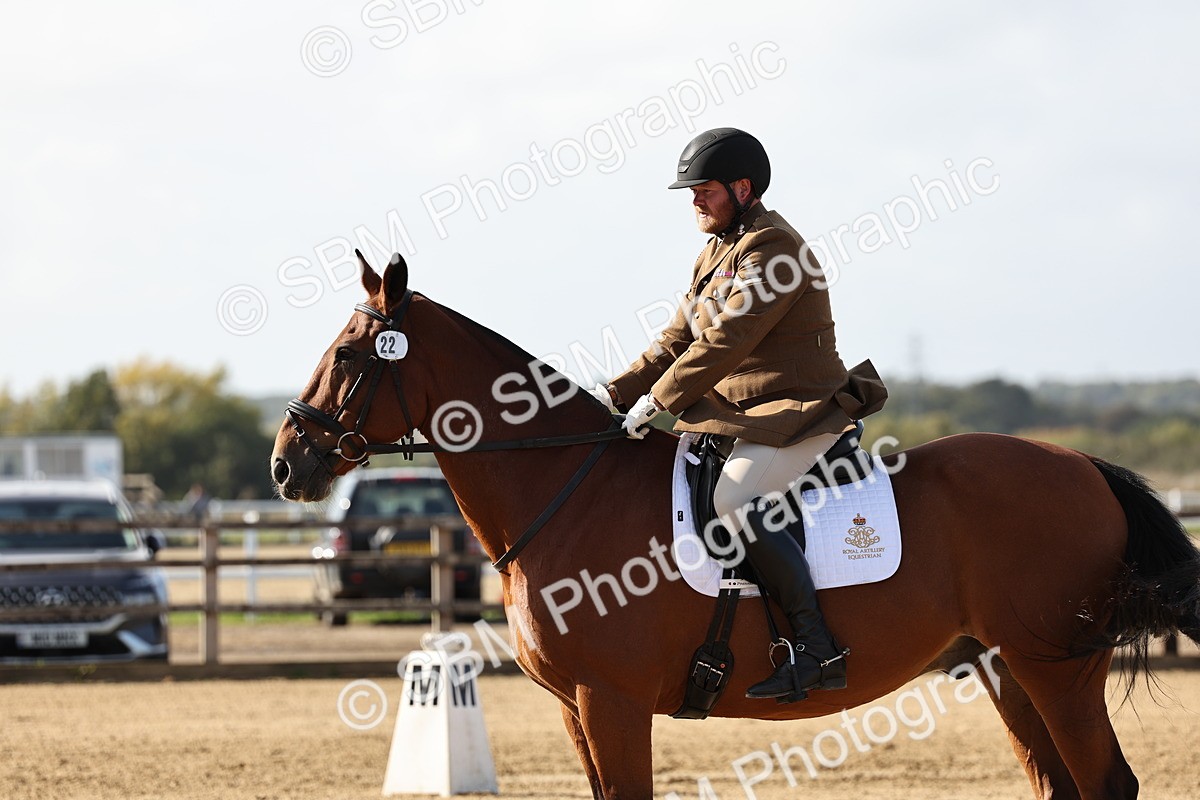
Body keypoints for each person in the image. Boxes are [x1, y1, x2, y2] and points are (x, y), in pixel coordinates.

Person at [589, 127, 887, 701]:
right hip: (744, 415)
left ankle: (816, 646)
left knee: (735, 500)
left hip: (800, 413)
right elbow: (675, 340)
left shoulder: (773, 248)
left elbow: (726, 340)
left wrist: (659, 403)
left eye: (703, 188)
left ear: (742, 187)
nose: (694, 199)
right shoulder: (716, 251)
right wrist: (616, 393)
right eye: (692, 190)